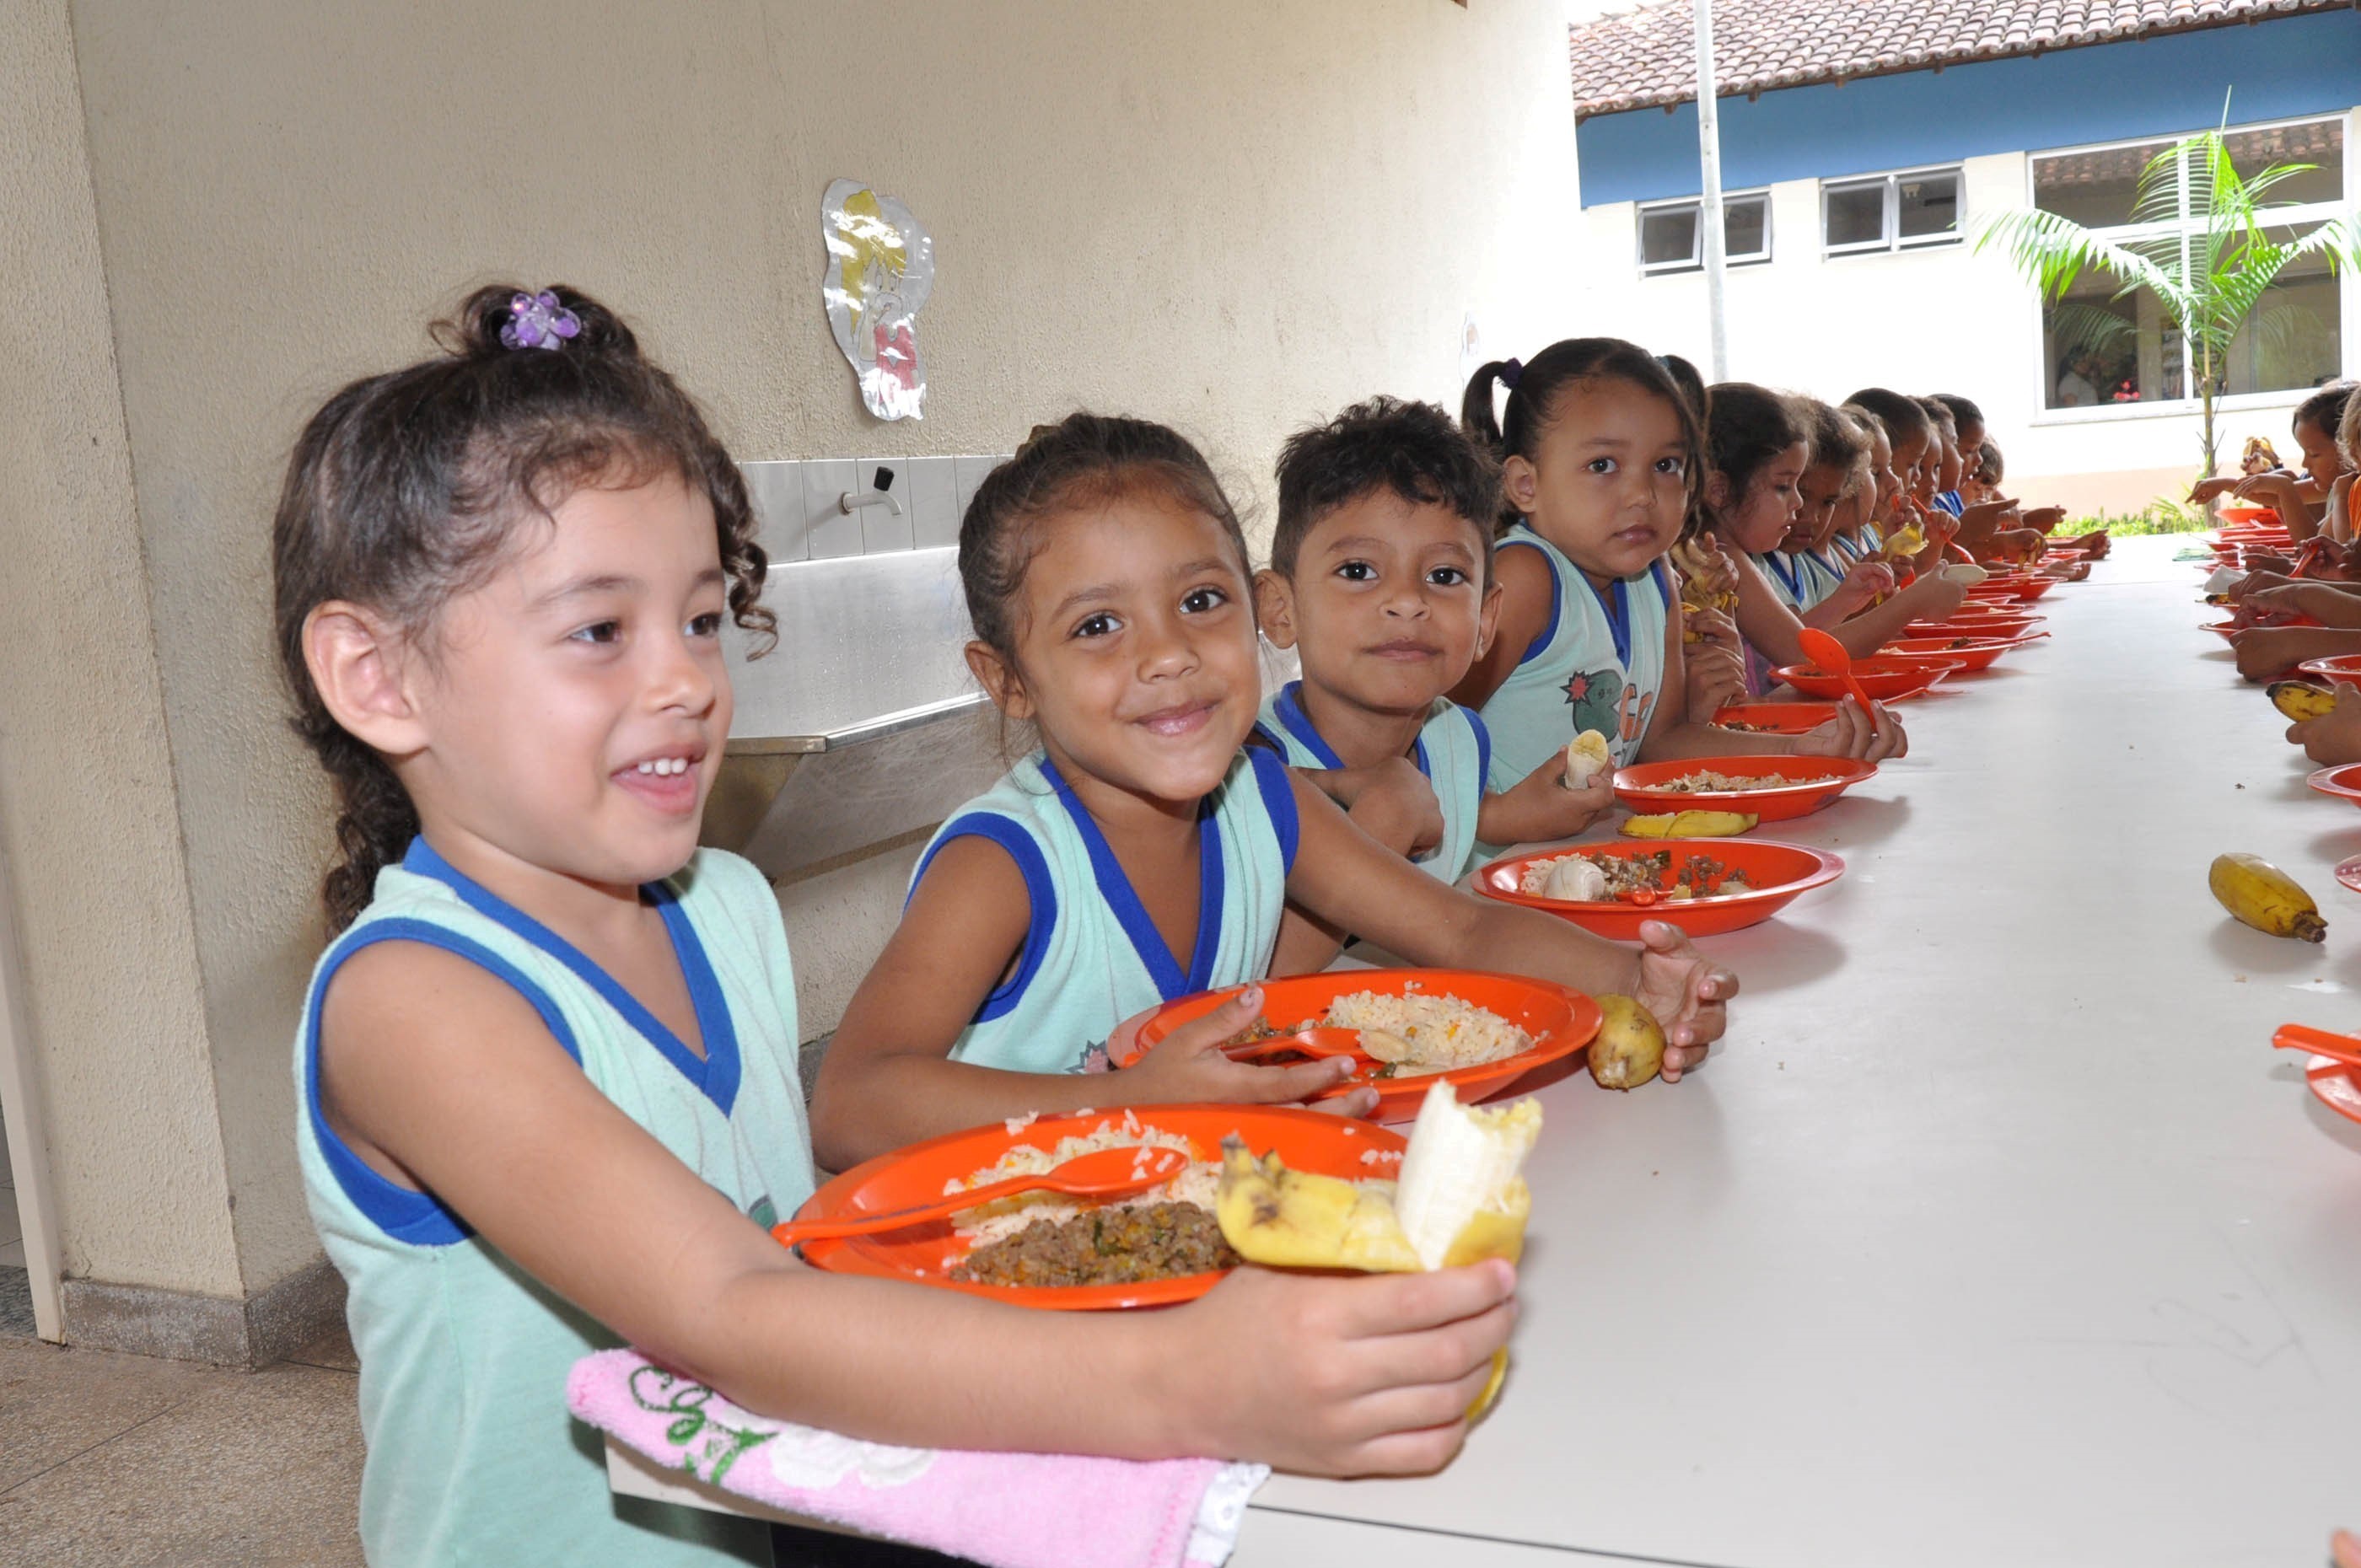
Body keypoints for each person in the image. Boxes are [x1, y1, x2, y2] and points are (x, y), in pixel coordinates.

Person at [286, 285, 1526, 1564]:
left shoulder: (725, 909)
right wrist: (1187, 1378)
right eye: (601, 630)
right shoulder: (411, 1004)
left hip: (773, 1514)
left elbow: (812, 1244)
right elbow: (726, 1302)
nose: (683, 681)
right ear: (378, 678)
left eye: (703, 620)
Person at [810, 412, 1737, 1166]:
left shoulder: (1265, 798)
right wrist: (1117, 1103)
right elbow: (849, 1102)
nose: (1169, 653)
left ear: (1256, 612)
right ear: (1008, 680)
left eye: (1201, 602)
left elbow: (1461, 929)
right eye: (1098, 624)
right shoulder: (1006, 864)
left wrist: (1634, 981)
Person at [1444, 340, 1901, 774]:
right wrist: (1499, 815)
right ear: (1525, 484)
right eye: (1603, 465)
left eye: (1667, 465)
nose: (1643, 495)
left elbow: (1663, 742)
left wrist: (1801, 749)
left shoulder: (1654, 579)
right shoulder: (1526, 577)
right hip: (1500, 855)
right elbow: (1428, 740)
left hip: (1587, 849)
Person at [1249, 397, 1616, 887]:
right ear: (1281, 610)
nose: (1407, 601)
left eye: (1444, 575)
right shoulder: (1252, 774)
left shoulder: (1457, 739)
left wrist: (1511, 815)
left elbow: (1449, 816)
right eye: (1358, 571)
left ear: (1486, 621)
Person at [1702, 383, 1956, 696]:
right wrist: (1914, 601)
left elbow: (1800, 637)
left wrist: (1844, 601)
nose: (1797, 504)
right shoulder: (1723, 559)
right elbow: (1803, 655)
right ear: (1719, 490)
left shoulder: (1733, 556)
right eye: (1784, 487)